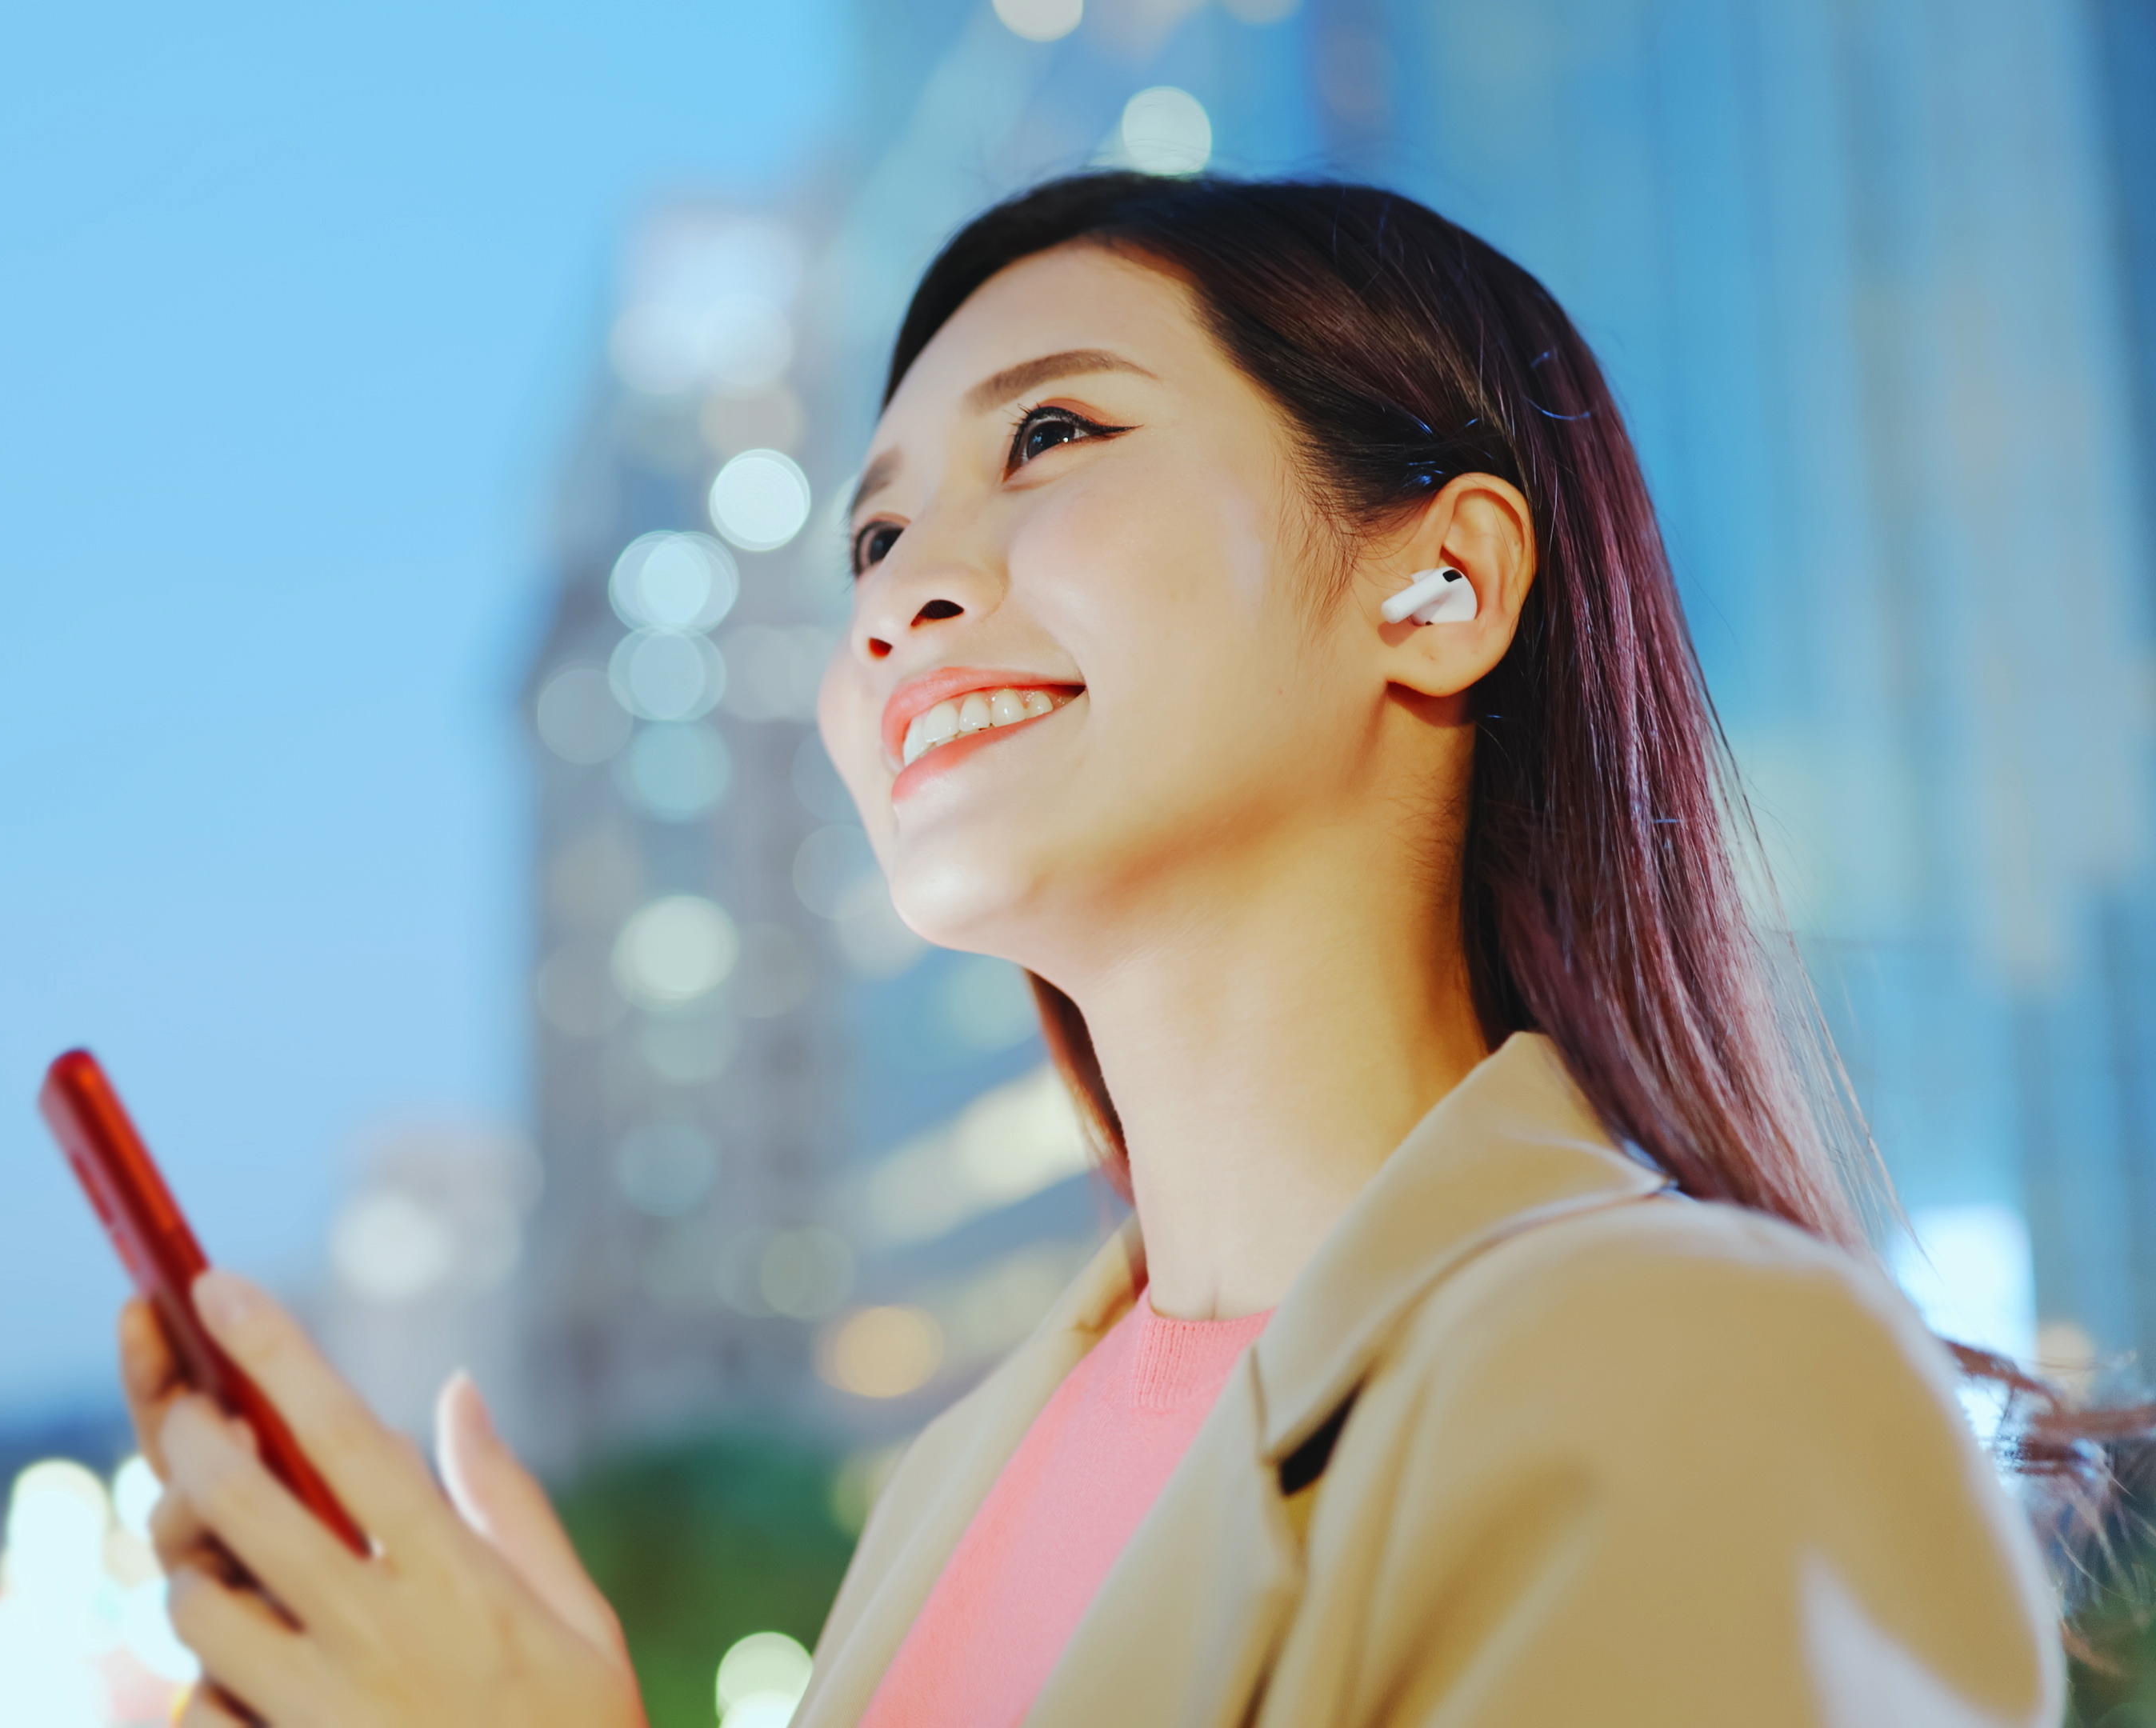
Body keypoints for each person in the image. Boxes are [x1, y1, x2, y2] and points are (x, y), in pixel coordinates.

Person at [115, 172, 2080, 1726]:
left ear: (1443, 576)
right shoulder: (958, 1482)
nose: (898, 600)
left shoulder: (1696, 1363)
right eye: (869, 545)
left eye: (1046, 436)